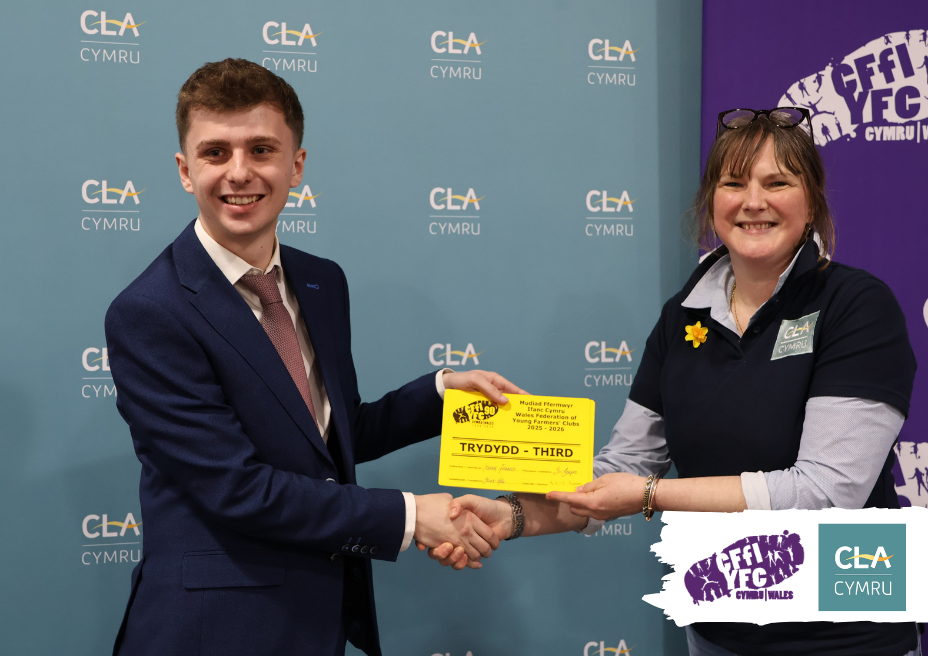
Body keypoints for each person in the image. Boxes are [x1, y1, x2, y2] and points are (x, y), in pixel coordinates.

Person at [430, 108, 921, 655]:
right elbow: (624, 468)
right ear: (711, 201)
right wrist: (510, 514)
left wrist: (650, 496)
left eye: (777, 183)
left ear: (812, 202)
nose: (753, 201)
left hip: (846, 638)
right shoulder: (682, 316)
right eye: (733, 183)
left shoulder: (857, 306)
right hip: (716, 633)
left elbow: (824, 494)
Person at [105, 58, 524, 656]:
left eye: (261, 149)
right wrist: (411, 517)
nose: (239, 172)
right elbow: (237, 488)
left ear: (296, 165)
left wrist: (440, 396)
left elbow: (325, 437)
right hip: (211, 631)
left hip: (314, 619)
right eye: (216, 152)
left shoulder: (322, 281)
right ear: (184, 170)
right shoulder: (150, 311)